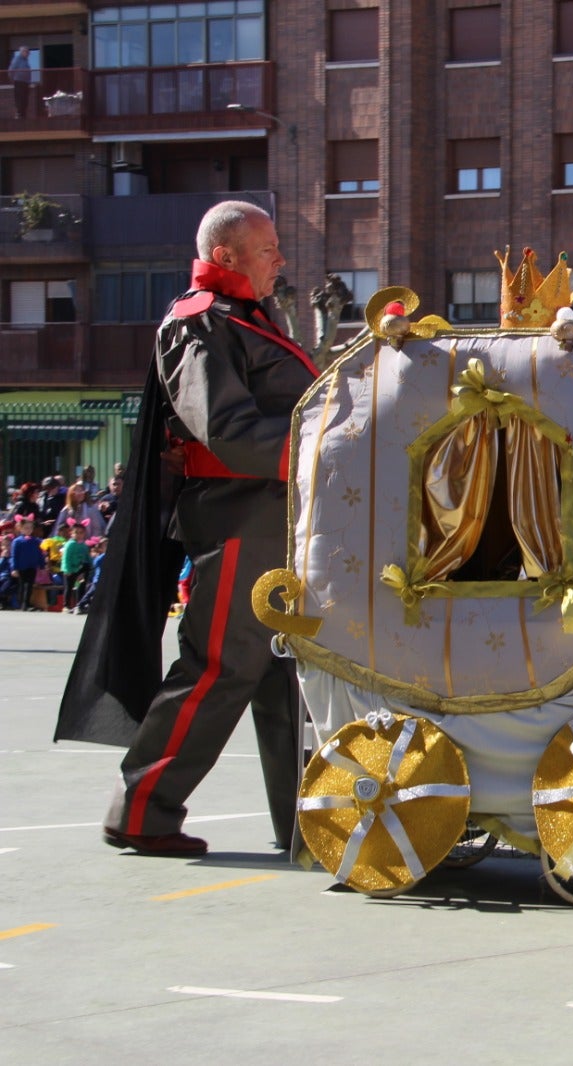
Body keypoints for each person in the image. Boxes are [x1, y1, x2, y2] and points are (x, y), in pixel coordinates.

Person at [56, 200, 318, 857]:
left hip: (276, 513)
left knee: (283, 675)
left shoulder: (248, 320)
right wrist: (329, 445)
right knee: (220, 666)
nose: (280, 259)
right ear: (226, 256)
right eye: (267, 249)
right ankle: (142, 809)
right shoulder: (199, 322)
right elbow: (226, 431)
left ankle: (309, 822)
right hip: (239, 511)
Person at [9, 516, 43, 611]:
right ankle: (22, 604)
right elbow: (14, 556)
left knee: (30, 585)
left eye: (30, 528)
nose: (28, 530)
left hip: (32, 566)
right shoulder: (17, 541)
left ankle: (27, 603)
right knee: (23, 585)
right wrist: (14, 568)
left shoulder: (35, 541)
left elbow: (39, 553)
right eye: (26, 528)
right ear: (21, 528)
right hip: (21, 567)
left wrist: (42, 565)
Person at [60, 520, 91, 610]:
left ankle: (79, 604)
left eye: (81, 533)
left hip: (80, 569)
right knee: (69, 587)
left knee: (81, 586)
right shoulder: (70, 544)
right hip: (70, 570)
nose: (78, 534)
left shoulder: (83, 545)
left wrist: (90, 564)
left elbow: (87, 556)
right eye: (76, 532)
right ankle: (66, 605)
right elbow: (66, 558)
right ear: (71, 533)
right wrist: (67, 570)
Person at [8, 44, 37, 120]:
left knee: (25, 99)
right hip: (19, 81)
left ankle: (23, 115)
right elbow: (11, 69)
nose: (28, 54)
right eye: (27, 52)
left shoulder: (26, 61)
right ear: (22, 52)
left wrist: (29, 81)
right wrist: (12, 79)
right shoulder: (17, 59)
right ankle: (19, 114)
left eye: (28, 52)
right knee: (20, 98)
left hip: (25, 82)